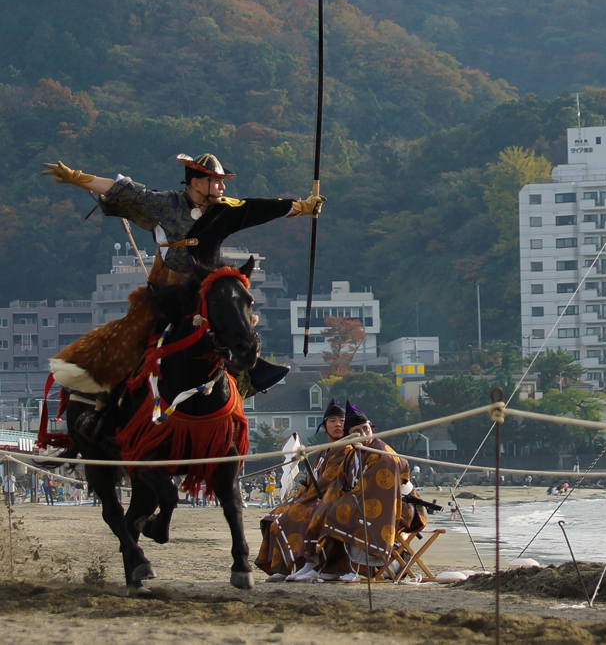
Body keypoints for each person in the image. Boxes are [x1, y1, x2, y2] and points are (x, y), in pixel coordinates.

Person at [42, 154, 323, 400]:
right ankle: (110, 392)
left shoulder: (225, 209)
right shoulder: (165, 204)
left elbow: (260, 207)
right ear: (196, 183)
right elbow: (122, 190)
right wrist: (77, 177)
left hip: (205, 288)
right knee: (135, 331)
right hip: (167, 284)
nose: (223, 187)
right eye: (216, 181)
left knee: (236, 320)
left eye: (222, 182)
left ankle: (248, 374)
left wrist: (302, 207)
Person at [307, 402, 426, 580]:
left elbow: (379, 492)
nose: (363, 435)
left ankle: (361, 570)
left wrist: (343, 504)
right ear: (348, 436)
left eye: (365, 429)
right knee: (325, 510)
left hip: (400, 507)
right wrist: (326, 504)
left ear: (372, 429)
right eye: (357, 431)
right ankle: (330, 567)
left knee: (347, 514)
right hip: (363, 500)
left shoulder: (384, 456)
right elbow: (339, 484)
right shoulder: (351, 455)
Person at [255, 400, 353, 582]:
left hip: (332, 498)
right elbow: (311, 480)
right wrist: (299, 494)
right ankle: (283, 567)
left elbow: (328, 481)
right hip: (314, 496)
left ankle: (308, 564)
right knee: (274, 515)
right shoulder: (323, 451)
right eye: (332, 421)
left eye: (342, 420)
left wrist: (303, 498)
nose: (338, 424)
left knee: (294, 515)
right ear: (324, 426)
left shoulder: (347, 449)